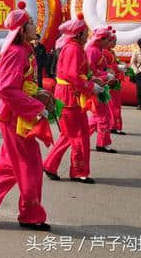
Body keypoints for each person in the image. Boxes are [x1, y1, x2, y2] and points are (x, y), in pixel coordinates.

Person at [0, 1, 50, 231]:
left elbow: (21, 83)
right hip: (16, 116)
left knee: (9, 165)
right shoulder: (15, 52)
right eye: (31, 23)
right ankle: (30, 214)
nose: (35, 26)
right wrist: (35, 107)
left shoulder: (25, 49)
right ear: (21, 30)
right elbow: (6, 88)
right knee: (30, 164)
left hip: (16, 113)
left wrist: (38, 92)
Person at [43, 14, 98, 184]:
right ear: (79, 34)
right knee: (79, 134)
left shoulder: (71, 47)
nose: (87, 36)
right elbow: (72, 75)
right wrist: (89, 87)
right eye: (85, 33)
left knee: (69, 134)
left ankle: (50, 165)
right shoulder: (73, 48)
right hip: (71, 96)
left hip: (68, 94)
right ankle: (79, 171)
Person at [86, 27, 117, 153]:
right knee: (104, 116)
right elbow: (89, 71)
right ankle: (102, 143)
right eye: (108, 40)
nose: (110, 42)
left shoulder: (98, 50)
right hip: (96, 87)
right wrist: (105, 75)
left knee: (97, 116)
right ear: (101, 39)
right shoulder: (92, 51)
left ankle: (81, 136)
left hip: (101, 85)